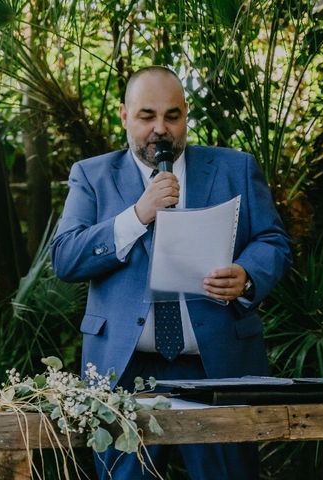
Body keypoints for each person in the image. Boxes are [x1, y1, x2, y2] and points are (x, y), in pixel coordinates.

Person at [50, 66, 292, 479]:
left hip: (217, 364)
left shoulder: (234, 168)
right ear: (124, 115)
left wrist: (247, 275)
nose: (160, 129)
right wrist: (138, 215)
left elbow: (273, 240)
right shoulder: (92, 175)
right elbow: (66, 257)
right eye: (147, 116)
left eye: (172, 116)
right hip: (123, 370)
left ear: (185, 116)